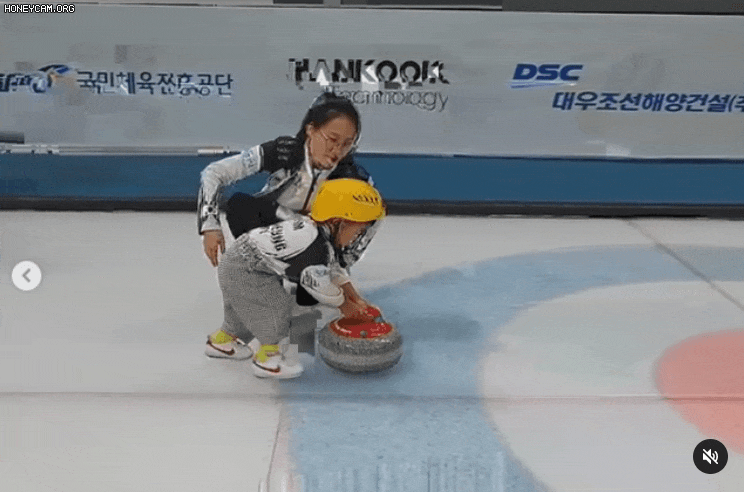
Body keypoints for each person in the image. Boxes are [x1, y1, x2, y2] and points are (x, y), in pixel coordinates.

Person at [207, 178, 386, 379]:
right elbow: (321, 288)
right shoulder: (315, 248)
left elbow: (334, 270)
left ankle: (221, 342)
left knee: (242, 310)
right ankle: (267, 361)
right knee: (275, 310)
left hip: (239, 263)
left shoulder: (314, 231)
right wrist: (347, 307)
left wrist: (356, 298)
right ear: (338, 222)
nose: (358, 237)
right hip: (247, 271)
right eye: (359, 230)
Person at [198, 92, 374, 270]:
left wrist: (339, 265)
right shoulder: (283, 152)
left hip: (315, 244)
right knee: (240, 205)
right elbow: (214, 172)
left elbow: (371, 221)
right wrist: (209, 225)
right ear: (310, 129)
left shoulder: (355, 179)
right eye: (332, 139)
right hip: (272, 226)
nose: (337, 150)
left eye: (347, 143)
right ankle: (264, 267)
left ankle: (299, 272)